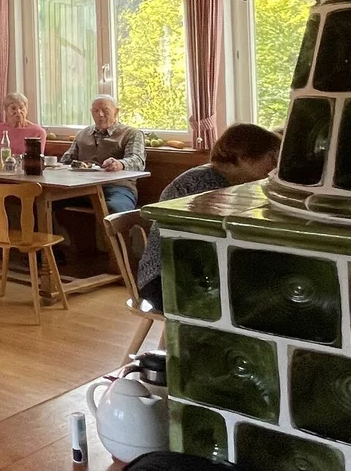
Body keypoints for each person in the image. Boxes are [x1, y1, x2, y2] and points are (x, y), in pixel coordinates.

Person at [135, 125, 281, 310]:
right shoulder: (202, 185)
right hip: (165, 281)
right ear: (245, 158)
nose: (275, 167)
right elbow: (210, 245)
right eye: (272, 159)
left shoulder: (229, 181)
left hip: (192, 275)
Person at [68, 95, 147, 213]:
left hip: (118, 188)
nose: (100, 114)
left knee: (113, 209)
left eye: (105, 110)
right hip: (82, 187)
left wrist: (120, 164)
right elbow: (67, 160)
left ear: (116, 111)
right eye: (96, 111)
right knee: (43, 201)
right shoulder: (81, 135)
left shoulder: (132, 134)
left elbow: (138, 161)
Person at [0, 93, 48, 159]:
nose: (18, 111)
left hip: (26, 168)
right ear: (6, 110)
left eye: (21, 107)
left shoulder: (38, 132)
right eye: (13, 108)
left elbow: (37, 160)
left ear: (26, 109)